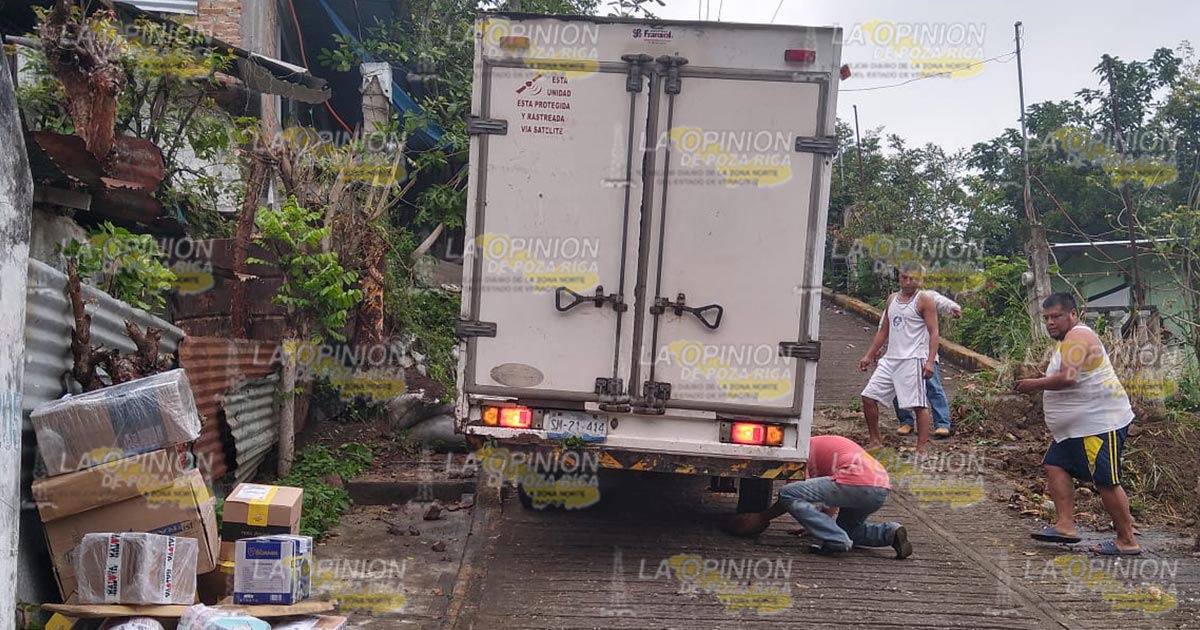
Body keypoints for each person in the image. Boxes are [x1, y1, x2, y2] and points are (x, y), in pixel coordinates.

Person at [1015, 292, 1139, 555]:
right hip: (1077, 428)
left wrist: (1033, 384)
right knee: (1055, 463)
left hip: (1099, 424)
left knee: (1106, 480)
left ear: (1073, 314)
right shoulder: (1069, 340)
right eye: (1047, 318)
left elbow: (1068, 378)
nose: (1050, 322)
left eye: (1056, 316)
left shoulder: (1079, 336)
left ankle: (1127, 540)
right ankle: (1065, 525)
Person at [723, 434, 912, 559]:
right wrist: (818, 525)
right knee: (849, 531)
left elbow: (790, 497)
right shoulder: (818, 443)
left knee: (788, 493)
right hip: (880, 486)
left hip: (855, 481)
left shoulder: (800, 452)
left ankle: (836, 540)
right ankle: (890, 533)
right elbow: (829, 501)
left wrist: (762, 517)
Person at [858, 266, 940, 455]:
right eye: (905, 277)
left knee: (918, 404)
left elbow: (934, 332)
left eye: (913, 278)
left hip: (913, 358)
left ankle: (921, 448)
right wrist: (869, 354)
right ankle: (875, 440)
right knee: (868, 396)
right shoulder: (892, 299)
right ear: (899, 278)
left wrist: (929, 361)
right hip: (892, 357)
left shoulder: (924, 300)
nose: (909, 281)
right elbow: (884, 330)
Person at [894, 289, 962, 439]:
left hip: (924, 352)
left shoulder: (926, 296)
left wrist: (952, 308)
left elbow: (940, 301)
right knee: (899, 388)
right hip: (900, 353)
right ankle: (905, 421)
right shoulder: (895, 300)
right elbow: (886, 323)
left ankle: (943, 423)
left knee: (933, 387)